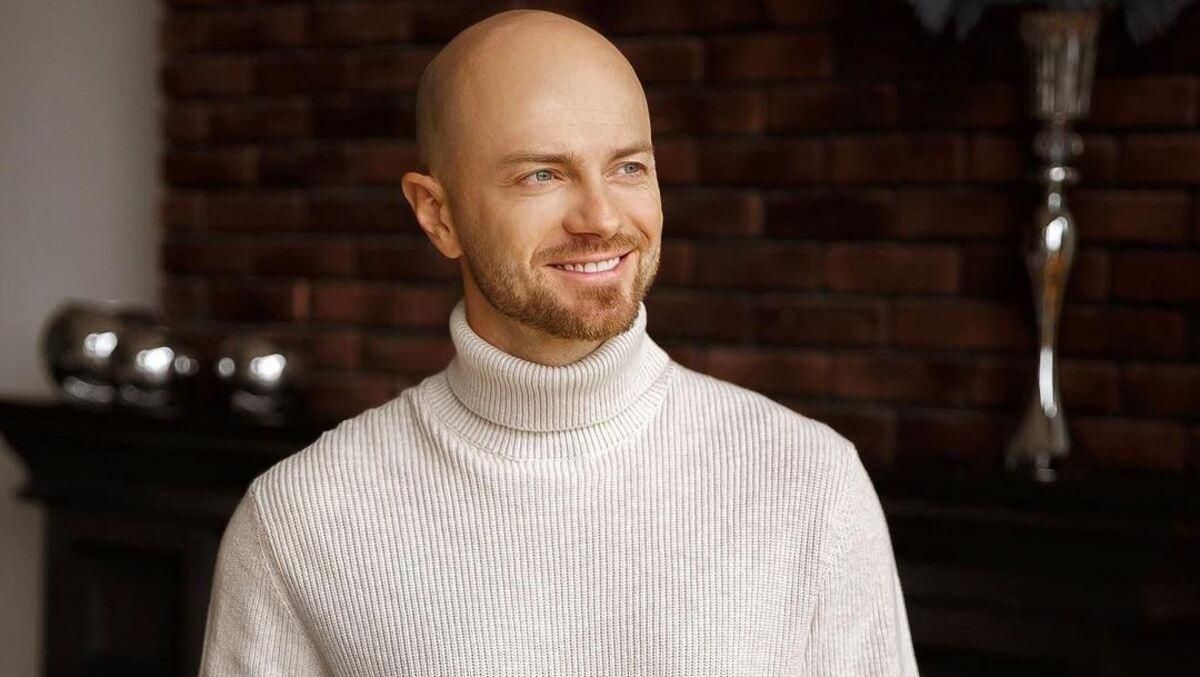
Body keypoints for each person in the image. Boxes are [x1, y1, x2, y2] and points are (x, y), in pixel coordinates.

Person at [198, 9, 919, 676]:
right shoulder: (299, 522)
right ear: (437, 214)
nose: (601, 217)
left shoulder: (811, 484)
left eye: (628, 167)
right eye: (542, 174)